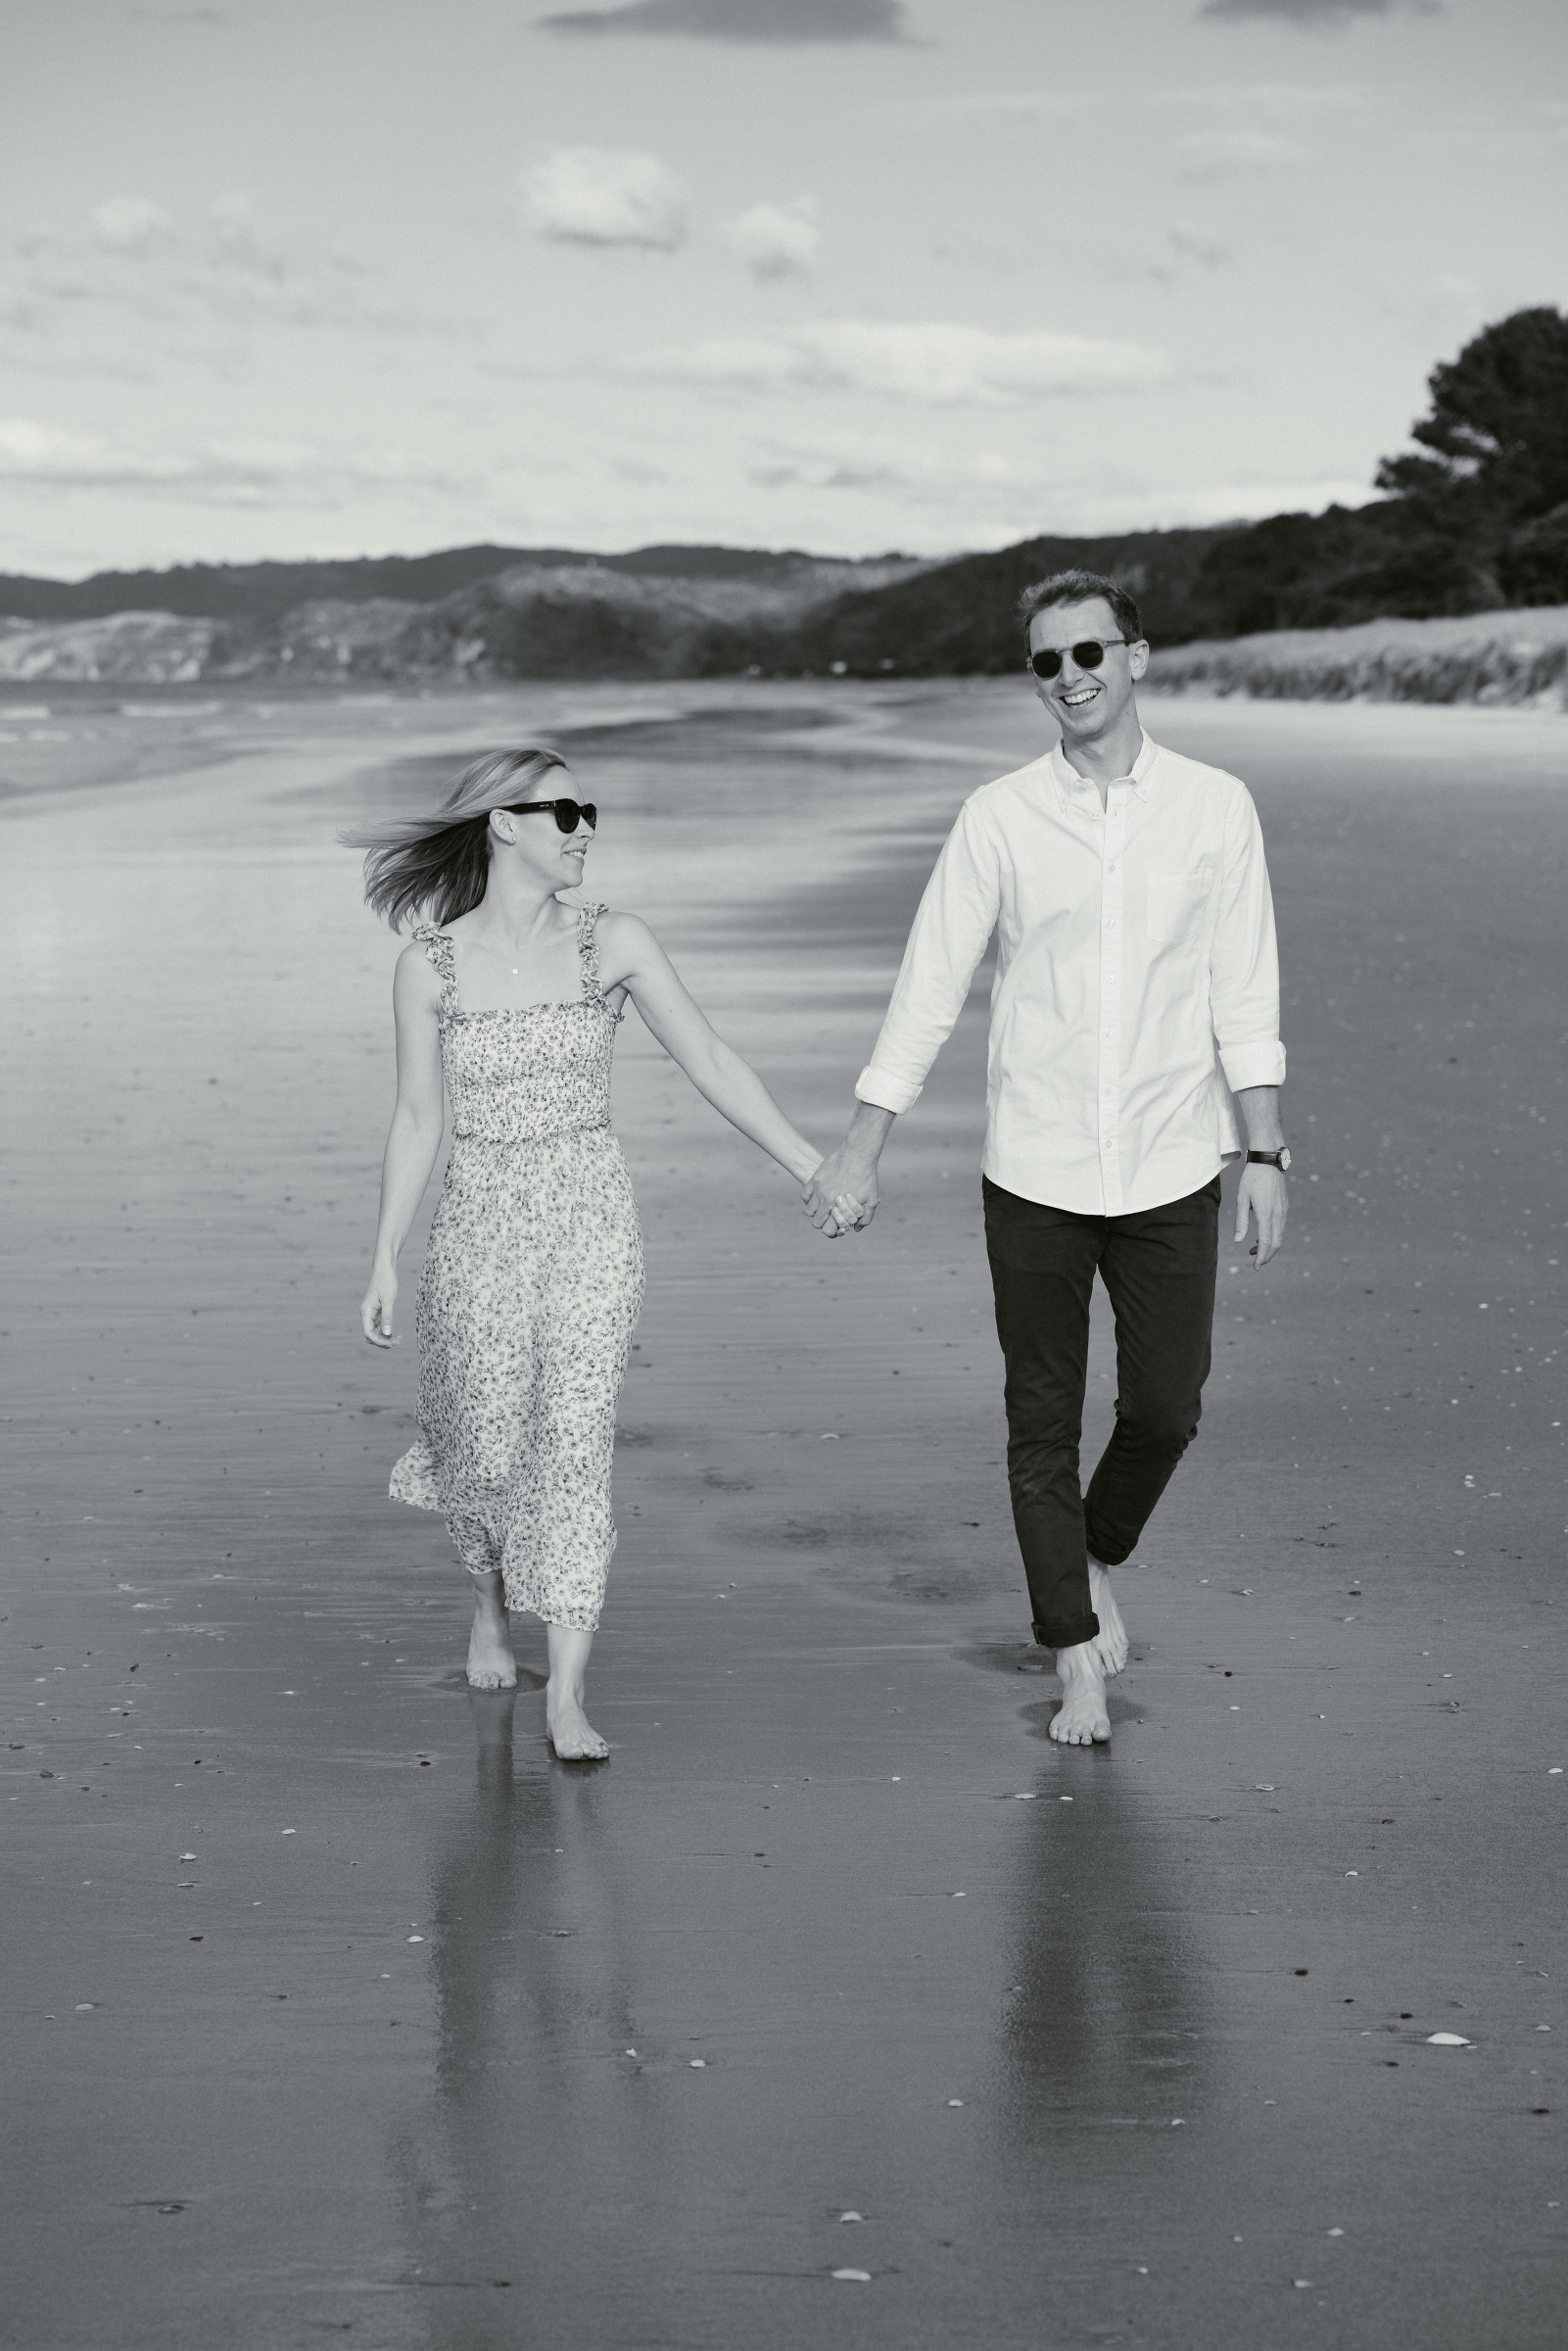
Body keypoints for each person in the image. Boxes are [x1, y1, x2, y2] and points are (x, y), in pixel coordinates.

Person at [805, 569, 1288, 1748]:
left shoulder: (1214, 808)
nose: (1068, 676)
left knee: (1166, 1407)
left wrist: (1264, 1149)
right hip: (1033, 1167)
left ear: (1135, 657)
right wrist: (861, 1145)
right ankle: (1073, 1659)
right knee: (1039, 1424)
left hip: (1172, 1159)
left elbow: (1242, 988)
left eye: (1087, 652)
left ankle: (1090, 1552)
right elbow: (928, 986)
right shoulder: (998, 817)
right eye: (1045, 661)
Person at [352, 747, 856, 1758]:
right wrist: (384, 1255)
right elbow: (416, 1118)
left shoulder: (612, 942)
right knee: (481, 1445)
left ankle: (568, 1694)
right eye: (563, 811)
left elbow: (710, 1059)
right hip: (476, 1226)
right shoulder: (428, 965)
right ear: (503, 824)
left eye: (589, 811)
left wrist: (814, 1166)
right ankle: (489, 1603)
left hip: (590, 1222)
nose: (584, 828)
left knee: (574, 1448)